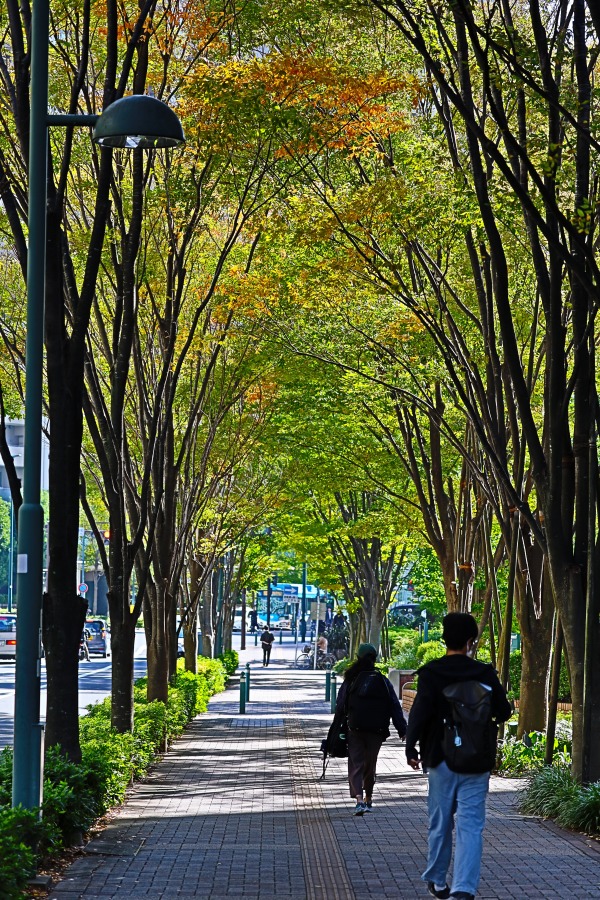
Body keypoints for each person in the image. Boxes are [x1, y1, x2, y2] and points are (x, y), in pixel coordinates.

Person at [406, 612, 512, 900]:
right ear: (470, 641)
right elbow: (504, 711)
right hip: (477, 760)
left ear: (444, 639)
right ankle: (464, 889)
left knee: (440, 822)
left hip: (440, 758)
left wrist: (410, 747)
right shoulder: (485, 673)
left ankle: (438, 880)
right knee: (471, 825)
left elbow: (419, 713)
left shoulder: (431, 673)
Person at [333, 642, 406, 816]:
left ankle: (359, 799)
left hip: (355, 728)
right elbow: (394, 706)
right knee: (370, 764)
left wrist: (338, 727)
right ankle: (369, 797)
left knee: (356, 763)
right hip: (377, 730)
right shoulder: (382, 680)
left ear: (358, 658)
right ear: (374, 659)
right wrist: (402, 729)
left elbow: (340, 704)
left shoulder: (351, 679)